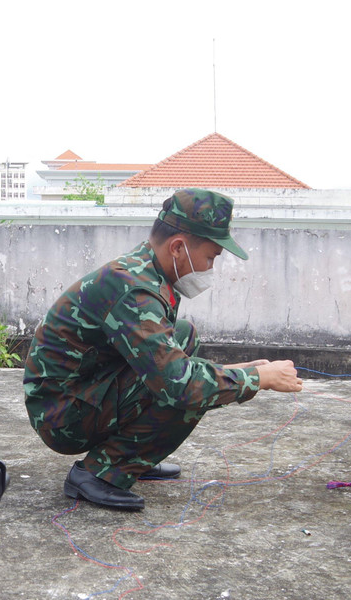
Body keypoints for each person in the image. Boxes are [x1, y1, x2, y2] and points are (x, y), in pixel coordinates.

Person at [23, 189, 303, 511]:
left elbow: (167, 356)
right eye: (210, 257)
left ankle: (133, 456)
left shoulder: (151, 272)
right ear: (178, 248)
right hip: (62, 416)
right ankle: (100, 473)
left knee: (184, 337)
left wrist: (241, 372)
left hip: (85, 391)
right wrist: (256, 378)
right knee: (185, 390)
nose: (211, 267)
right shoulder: (135, 289)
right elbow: (178, 384)